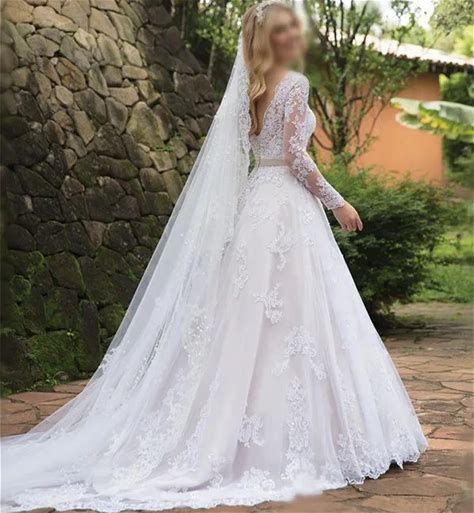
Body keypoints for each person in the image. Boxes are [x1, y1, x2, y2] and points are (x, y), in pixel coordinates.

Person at [1, 2, 427, 511]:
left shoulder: (248, 87)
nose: (295, 33)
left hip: (258, 202)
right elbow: (296, 157)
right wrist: (338, 203)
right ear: (271, 37)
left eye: (294, 25)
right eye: (286, 28)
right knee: (292, 313)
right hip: (288, 207)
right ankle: (296, 439)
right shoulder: (294, 84)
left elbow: (247, 155)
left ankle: (226, 426)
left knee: (250, 317)